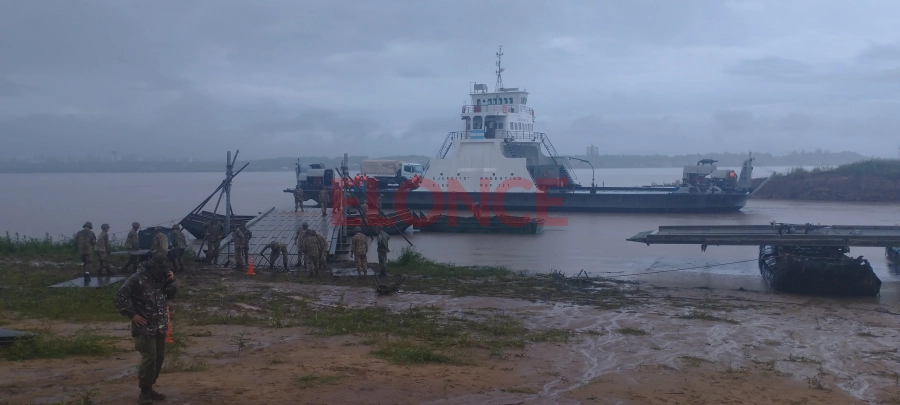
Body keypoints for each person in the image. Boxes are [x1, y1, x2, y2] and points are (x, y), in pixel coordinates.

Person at [113, 254, 177, 405]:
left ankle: (150, 386)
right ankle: (144, 391)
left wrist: (172, 281)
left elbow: (171, 294)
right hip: (144, 327)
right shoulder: (137, 278)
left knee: (159, 359)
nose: (163, 272)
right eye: (161, 270)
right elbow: (119, 297)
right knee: (149, 359)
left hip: (160, 326)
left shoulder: (162, 278)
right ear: (154, 267)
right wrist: (132, 314)